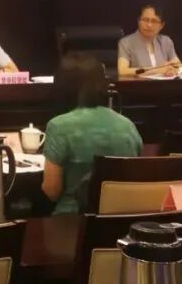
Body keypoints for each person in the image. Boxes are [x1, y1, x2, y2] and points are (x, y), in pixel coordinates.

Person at [42, 52, 143, 214]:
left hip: (72, 221)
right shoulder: (127, 125)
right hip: (122, 219)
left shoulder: (58, 126)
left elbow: (52, 191)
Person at [117, 4, 182, 79]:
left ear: (161, 25)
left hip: (165, 85)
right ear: (138, 21)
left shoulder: (166, 41)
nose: (149, 25)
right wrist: (157, 70)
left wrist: (172, 70)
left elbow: (179, 66)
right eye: (145, 20)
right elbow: (123, 71)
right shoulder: (126, 43)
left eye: (154, 21)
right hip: (138, 85)